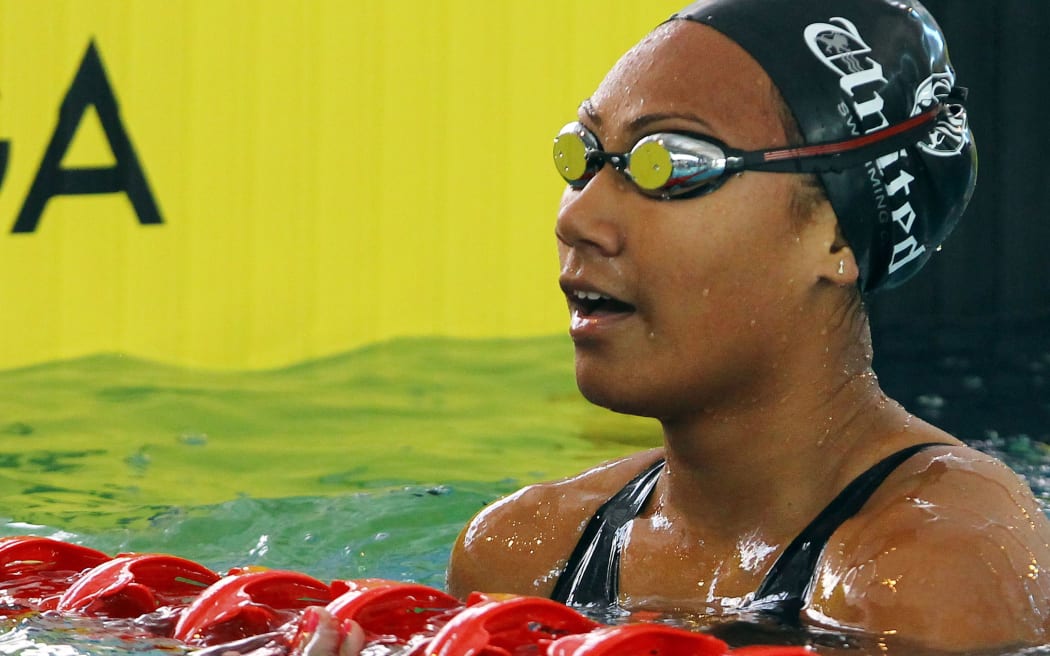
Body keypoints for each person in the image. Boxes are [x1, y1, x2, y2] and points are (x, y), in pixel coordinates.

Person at [446, 0, 1050, 651]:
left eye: (672, 165)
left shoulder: (933, 574)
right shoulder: (525, 553)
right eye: (584, 157)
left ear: (836, 233)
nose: (577, 220)